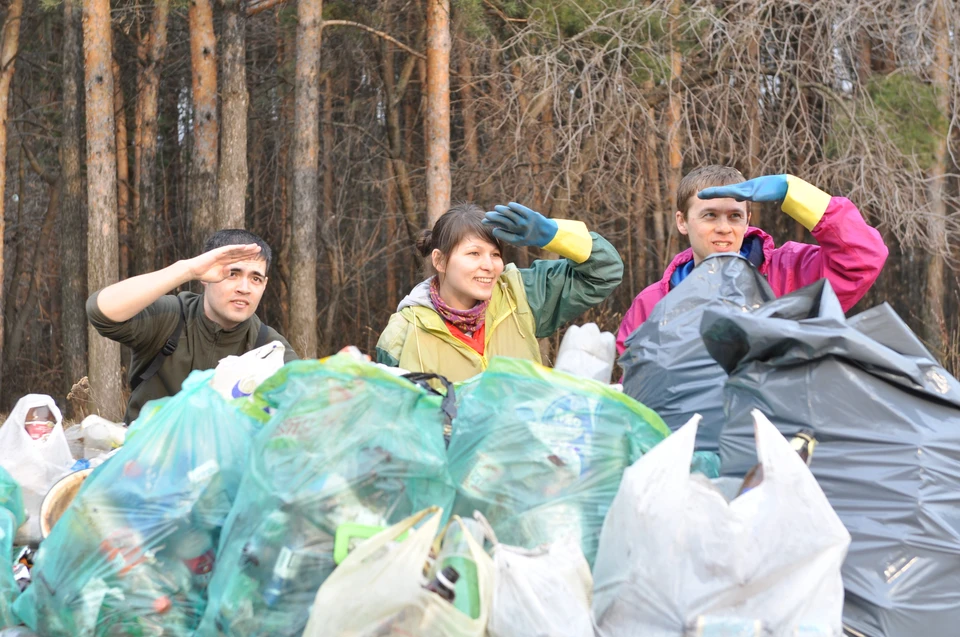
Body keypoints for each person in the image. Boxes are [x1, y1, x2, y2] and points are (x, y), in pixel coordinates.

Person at [616, 167, 888, 353]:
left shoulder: (790, 272)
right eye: (710, 215)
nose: (724, 227)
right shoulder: (653, 303)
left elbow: (862, 257)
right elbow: (636, 381)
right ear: (682, 222)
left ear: (747, 220)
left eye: (734, 216)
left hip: (776, 431)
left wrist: (795, 192)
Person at [377, 202, 623, 380]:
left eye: (495, 254)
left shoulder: (521, 294)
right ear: (440, 261)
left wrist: (553, 234)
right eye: (474, 253)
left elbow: (605, 271)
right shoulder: (403, 333)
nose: (489, 265)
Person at [87, 229, 298, 423]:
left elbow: (305, 408)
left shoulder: (269, 348)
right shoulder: (170, 317)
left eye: (255, 279)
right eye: (233, 274)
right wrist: (188, 269)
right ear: (206, 276)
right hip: (144, 457)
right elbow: (101, 312)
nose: (245, 288)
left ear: (265, 285)